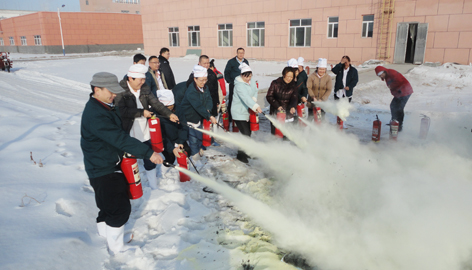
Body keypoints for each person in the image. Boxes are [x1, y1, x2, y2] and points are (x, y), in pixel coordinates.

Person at [81, 72, 163, 255]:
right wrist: (149, 153)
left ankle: (108, 235)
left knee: (107, 206)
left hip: (105, 162)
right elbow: (119, 138)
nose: (115, 95)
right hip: (104, 168)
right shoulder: (96, 114)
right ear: (97, 90)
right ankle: (118, 249)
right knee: (119, 209)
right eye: (111, 92)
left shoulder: (105, 105)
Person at [114, 64, 179, 190]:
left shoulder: (144, 88)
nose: (143, 82)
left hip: (144, 130)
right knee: (128, 160)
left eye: (144, 79)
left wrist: (169, 114)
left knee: (150, 156)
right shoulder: (120, 90)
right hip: (128, 130)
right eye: (140, 80)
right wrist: (141, 112)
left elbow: (156, 103)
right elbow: (121, 111)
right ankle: (130, 187)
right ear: (130, 78)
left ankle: (153, 185)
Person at [180, 65, 217, 160]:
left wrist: (208, 109)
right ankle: (195, 156)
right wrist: (209, 116)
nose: (204, 82)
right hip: (189, 117)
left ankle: (199, 150)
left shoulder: (205, 87)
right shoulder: (191, 92)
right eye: (201, 80)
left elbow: (209, 99)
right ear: (195, 79)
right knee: (193, 139)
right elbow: (198, 106)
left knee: (199, 135)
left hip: (199, 116)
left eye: (205, 80)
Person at [231, 63, 262, 163]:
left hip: (247, 111)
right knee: (245, 133)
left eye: (249, 76)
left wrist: (254, 99)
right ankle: (241, 155)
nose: (248, 79)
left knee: (248, 133)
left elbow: (255, 90)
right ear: (241, 75)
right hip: (238, 112)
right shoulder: (239, 85)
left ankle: (246, 152)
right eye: (245, 76)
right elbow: (245, 98)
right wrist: (255, 106)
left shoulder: (251, 81)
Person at [155, 89, 190, 165]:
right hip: (166, 140)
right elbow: (161, 136)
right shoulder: (156, 115)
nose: (170, 110)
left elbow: (183, 126)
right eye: (168, 108)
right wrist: (172, 148)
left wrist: (181, 141)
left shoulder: (178, 109)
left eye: (172, 107)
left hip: (177, 137)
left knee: (187, 151)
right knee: (170, 159)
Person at [375, 66, 413, 131]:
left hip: (405, 92)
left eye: (381, 73)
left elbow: (400, 81)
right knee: (393, 106)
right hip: (399, 93)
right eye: (378, 75)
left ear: (384, 71)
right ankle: (394, 121)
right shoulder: (387, 75)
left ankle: (399, 125)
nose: (380, 76)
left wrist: (398, 90)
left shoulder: (392, 73)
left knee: (399, 108)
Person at [266, 66, 298, 135]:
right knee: (275, 135)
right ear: (283, 74)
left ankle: (286, 145)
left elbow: (294, 97)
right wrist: (278, 106)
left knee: (287, 135)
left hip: (288, 114)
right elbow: (269, 96)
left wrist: (293, 106)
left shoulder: (293, 85)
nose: (289, 79)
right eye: (288, 76)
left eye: (291, 77)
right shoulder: (275, 83)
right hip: (276, 112)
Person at [224, 48, 249, 121]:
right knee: (232, 100)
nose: (241, 54)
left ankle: (241, 115)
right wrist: (230, 81)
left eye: (242, 53)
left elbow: (248, 72)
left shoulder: (246, 61)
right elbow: (226, 72)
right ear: (237, 53)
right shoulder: (231, 62)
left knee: (242, 99)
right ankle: (231, 118)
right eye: (239, 53)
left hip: (243, 84)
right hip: (234, 84)